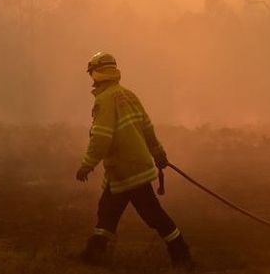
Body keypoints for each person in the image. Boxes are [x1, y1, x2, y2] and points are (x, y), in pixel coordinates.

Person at [75, 51, 193, 269]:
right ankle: (94, 253)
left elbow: (101, 138)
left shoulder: (104, 100)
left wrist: (87, 165)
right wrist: (158, 154)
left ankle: (181, 253)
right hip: (129, 169)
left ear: (96, 74)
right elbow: (147, 128)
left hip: (126, 170)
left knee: (153, 215)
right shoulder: (129, 95)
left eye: (92, 73)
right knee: (108, 211)